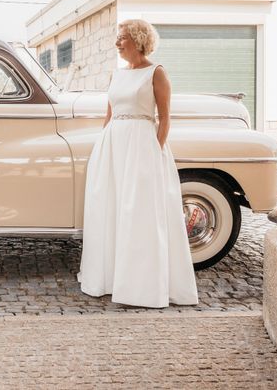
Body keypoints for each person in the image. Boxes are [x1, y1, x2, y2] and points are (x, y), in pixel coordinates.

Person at [77, 18, 198, 308]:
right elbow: (110, 114)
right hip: (113, 146)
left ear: (138, 39)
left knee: (140, 212)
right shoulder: (116, 75)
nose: (117, 43)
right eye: (117, 38)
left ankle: (141, 285)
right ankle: (109, 278)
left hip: (142, 147)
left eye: (122, 38)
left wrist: (155, 151)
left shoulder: (156, 73)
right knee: (111, 208)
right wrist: (101, 147)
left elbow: (165, 117)